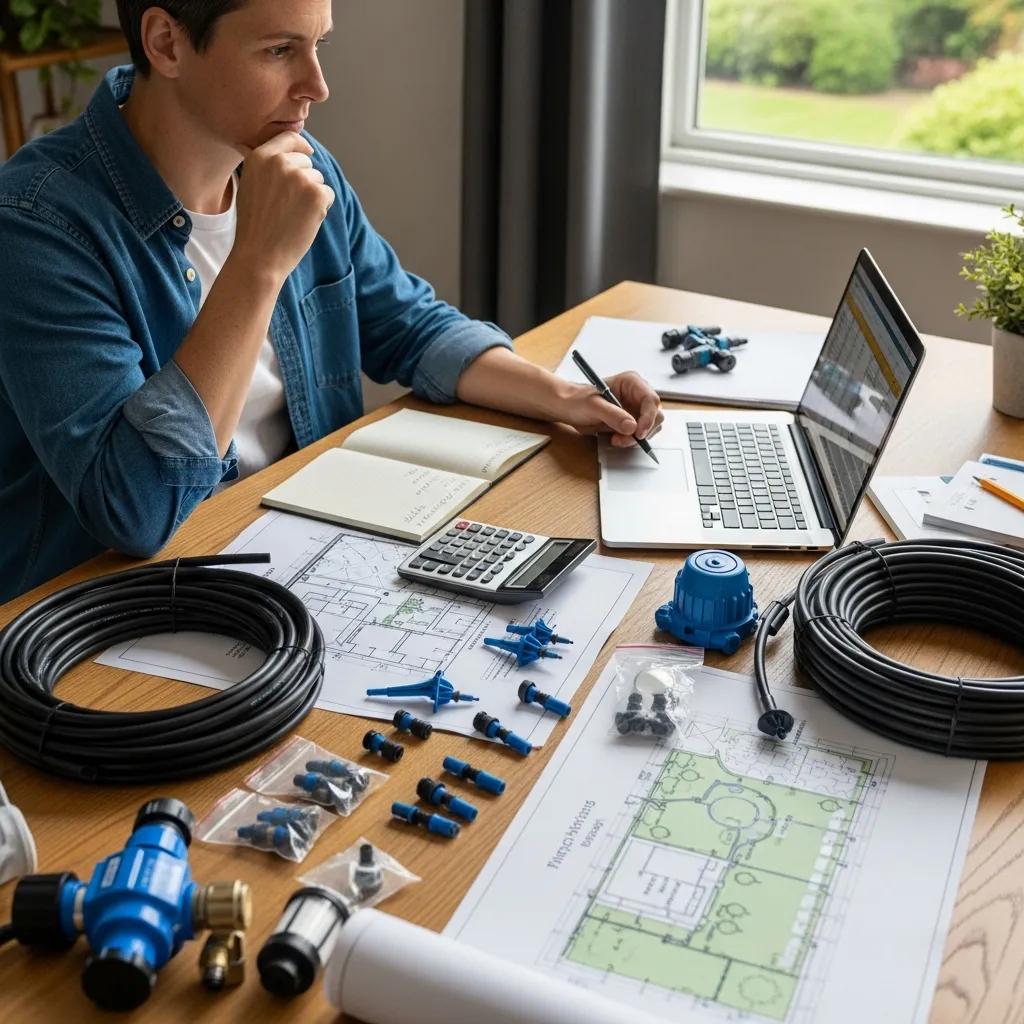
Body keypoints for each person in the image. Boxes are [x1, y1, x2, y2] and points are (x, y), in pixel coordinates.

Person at [0, 0, 663, 603]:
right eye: (280, 50)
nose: (317, 86)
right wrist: (258, 263)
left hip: (296, 555)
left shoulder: (302, 165)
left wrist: (564, 398)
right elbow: (137, 507)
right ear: (167, 43)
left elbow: (408, 324)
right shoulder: (36, 226)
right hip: (106, 614)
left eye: (319, 45)